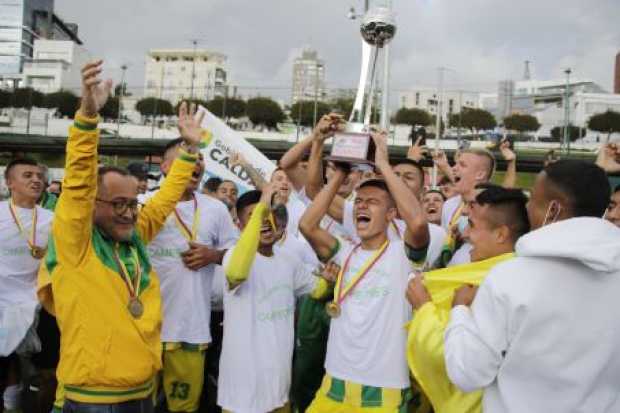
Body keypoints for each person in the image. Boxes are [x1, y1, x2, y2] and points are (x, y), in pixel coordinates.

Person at [36, 61, 204, 412]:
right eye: (117, 203)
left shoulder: (133, 236)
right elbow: (80, 179)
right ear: (92, 206)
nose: (129, 212)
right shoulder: (74, 243)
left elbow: (160, 204)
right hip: (93, 399)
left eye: (132, 203)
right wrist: (87, 116)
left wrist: (188, 152)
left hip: (143, 391)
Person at [444, 160, 620, 412]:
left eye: (533, 199)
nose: (526, 207)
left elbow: (468, 373)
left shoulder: (510, 277)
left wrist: (459, 312)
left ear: (553, 209)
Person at [300, 132, 431, 413]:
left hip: (382, 388)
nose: (361, 205)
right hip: (334, 381)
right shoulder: (345, 254)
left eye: (372, 202)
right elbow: (308, 226)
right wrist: (339, 176)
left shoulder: (403, 257)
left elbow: (418, 223)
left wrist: (382, 164)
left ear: (391, 214)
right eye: (359, 201)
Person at [406, 185, 529, 413]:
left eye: (472, 226)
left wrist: (424, 308)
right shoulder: (523, 275)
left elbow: (456, 361)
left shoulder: (490, 286)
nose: (466, 234)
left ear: (501, 234)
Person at [217, 185, 329, 413]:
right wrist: (262, 206)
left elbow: (316, 290)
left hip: (279, 387)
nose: (264, 220)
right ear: (239, 226)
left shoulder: (289, 259)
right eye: (254, 215)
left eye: (267, 213)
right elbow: (237, 273)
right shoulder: (233, 256)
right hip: (242, 396)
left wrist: (330, 279)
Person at [145, 138, 238, 413]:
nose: (196, 163)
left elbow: (235, 253)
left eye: (200, 159)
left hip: (190, 329)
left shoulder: (215, 208)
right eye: (188, 157)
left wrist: (214, 256)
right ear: (164, 166)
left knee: (184, 408)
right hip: (144, 328)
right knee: (138, 405)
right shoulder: (143, 204)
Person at [0, 158, 53, 413]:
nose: (36, 180)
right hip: (2, 302)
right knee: (5, 361)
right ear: (9, 183)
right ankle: (11, 402)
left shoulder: (53, 220)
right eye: (27, 175)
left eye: (39, 176)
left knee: (45, 369)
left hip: (41, 302)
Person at [439, 148, 496, 267]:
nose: (454, 168)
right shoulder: (449, 205)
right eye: (456, 163)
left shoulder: (494, 206)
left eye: (462, 165)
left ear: (480, 174)